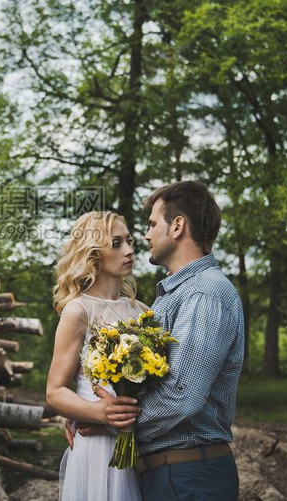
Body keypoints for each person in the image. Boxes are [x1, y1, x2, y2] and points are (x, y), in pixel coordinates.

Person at [69, 181, 244, 500]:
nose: (146, 236)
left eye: (152, 224)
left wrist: (109, 423)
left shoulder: (204, 294)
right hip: (168, 473)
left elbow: (181, 396)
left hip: (189, 476)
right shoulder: (172, 296)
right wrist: (85, 408)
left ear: (177, 226)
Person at [46, 211, 145, 501]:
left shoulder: (142, 311)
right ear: (93, 254)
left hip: (138, 442)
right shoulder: (79, 310)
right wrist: (99, 413)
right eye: (116, 243)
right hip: (97, 445)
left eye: (129, 241)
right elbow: (54, 391)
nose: (128, 250)